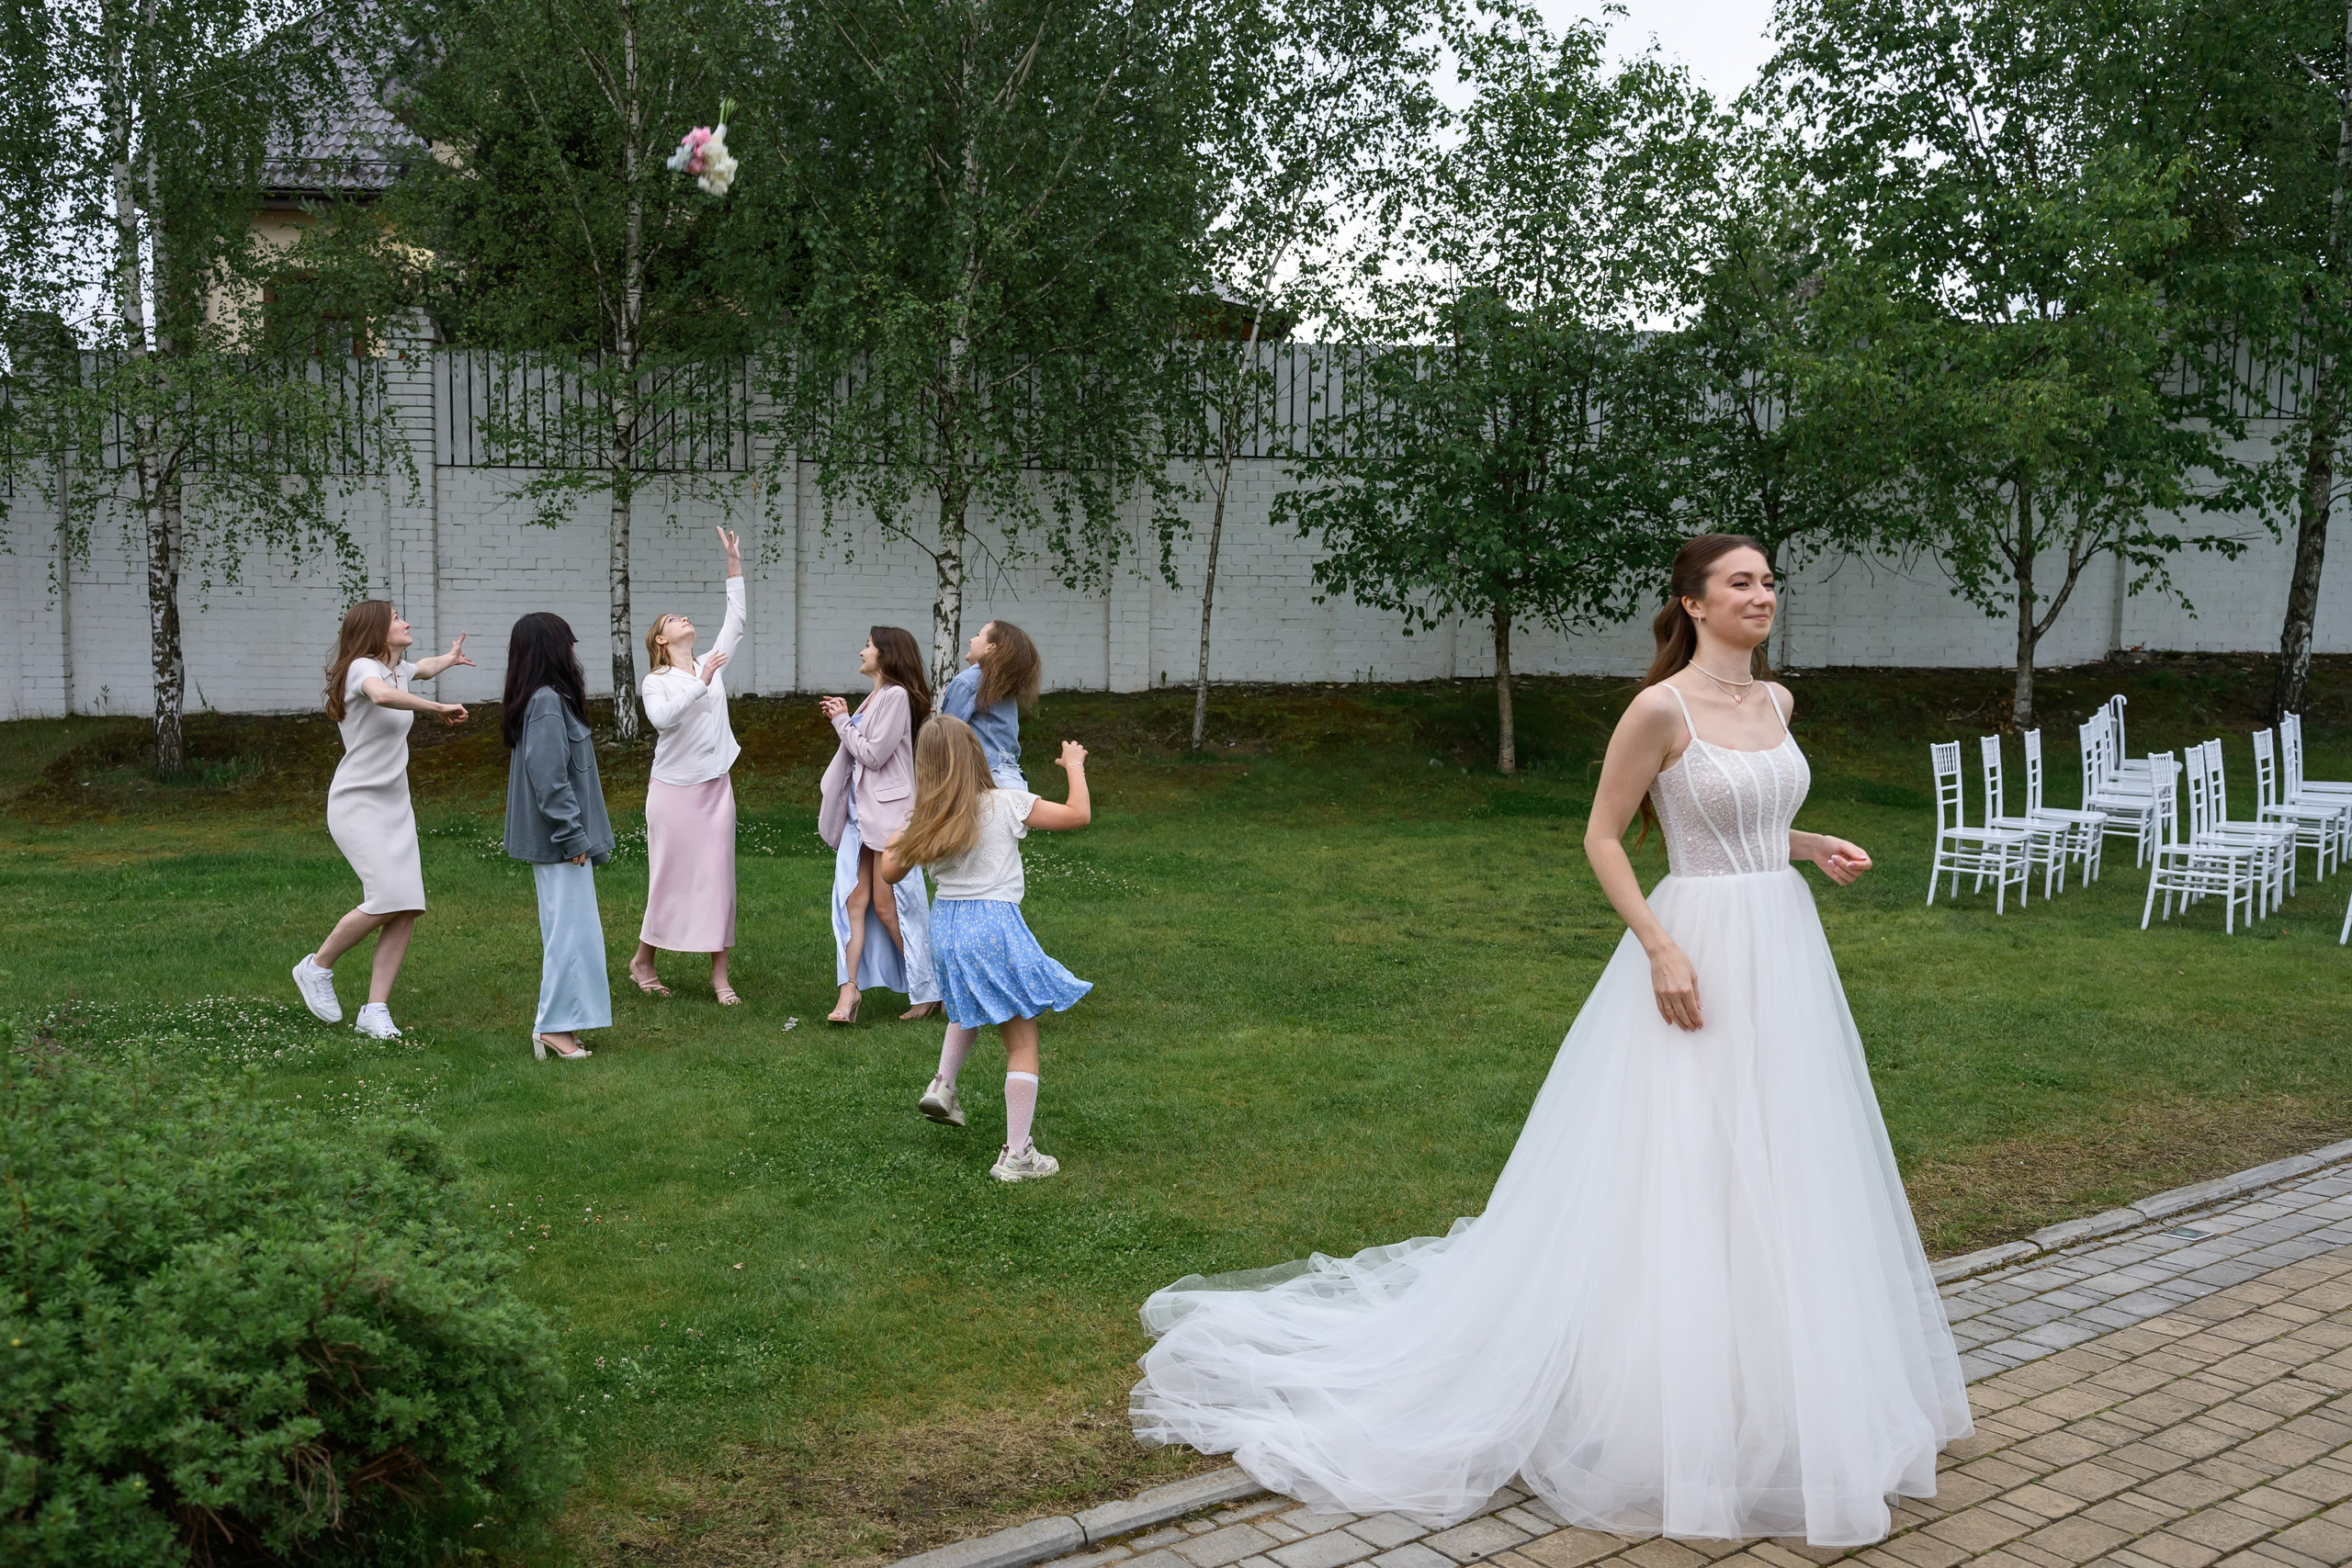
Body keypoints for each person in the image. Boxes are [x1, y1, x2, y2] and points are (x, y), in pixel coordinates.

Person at [1127, 534, 1971, 1546]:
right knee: (1682, 1159)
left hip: (1782, 948)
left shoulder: (1778, 702)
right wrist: (1659, 945)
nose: (1762, 595)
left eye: (1766, 581)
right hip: (1696, 943)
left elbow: (1747, 814)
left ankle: (1774, 1390)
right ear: (1693, 603)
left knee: (1783, 1156)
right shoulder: (1659, 709)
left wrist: (1808, 841)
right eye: (1740, 582)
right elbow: (1603, 835)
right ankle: (1660, 1400)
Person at [879, 716, 1091, 1182]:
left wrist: (909, 830)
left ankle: (943, 1084)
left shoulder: (926, 820)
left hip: (946, 929)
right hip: (992, 925)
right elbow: (1078, 814)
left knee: (970, 1004)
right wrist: (1074, 765)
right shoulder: (1006, 802)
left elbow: (889, 872)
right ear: (976, 755)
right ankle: (1018, 1156)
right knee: (1022, 1041)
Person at [292, 602, 471, 1039]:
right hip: (357, 803)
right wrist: (438, 707)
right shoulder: (362, 669)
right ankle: (316, 966)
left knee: (407, 905)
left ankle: (375, 1010)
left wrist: (449, 659)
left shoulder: (398, 669)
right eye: (396, 619)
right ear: (375, 630)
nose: (406, 622)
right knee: (387, 896)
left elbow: (422, 668)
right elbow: (382, 696)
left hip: (395, 804)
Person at [631, 525, 748, 1005]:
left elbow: (736, 622)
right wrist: (701, 683)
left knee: (719, 881)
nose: (684, 618)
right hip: (672, 792)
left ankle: (720, 977)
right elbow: (662, 719)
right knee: (669, 879)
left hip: (715, 788)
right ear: (661, 639)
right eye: (673, 619)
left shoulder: (709, 662)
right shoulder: (655, 680)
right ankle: (643, 961)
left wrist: (734, 565)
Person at [503, 613, 616, 1061]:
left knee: (571, 933)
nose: (573, 651)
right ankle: (553, 1027)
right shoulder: (547, 701)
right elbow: (548, 778)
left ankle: (561, 1024)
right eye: (567, 643)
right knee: (569, 935)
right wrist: (572, 836)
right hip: (561, 845)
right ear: (551, 649)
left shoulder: (543, 699)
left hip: (562, 843)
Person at [817, 626, 943, 1023]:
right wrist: (845, 716)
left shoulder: (897, 696)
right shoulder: (875, 697)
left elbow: (873, 755)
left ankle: (930, 989)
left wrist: (842, 722)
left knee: (892, 907)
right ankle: (848, 993)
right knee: (852, 901)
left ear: (886, 654)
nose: (861, 651)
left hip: (888, 818)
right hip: (860, 817)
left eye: (868, 646)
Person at [938, 619, 1041, 789]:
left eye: (978, 635)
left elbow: (946, 734)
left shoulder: (969, 680)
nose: (971, 639)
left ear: (990, 648)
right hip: (1012, 779)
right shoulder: (1001, 685)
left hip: (983, 779)